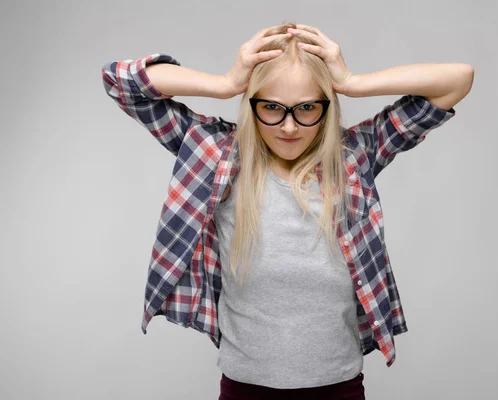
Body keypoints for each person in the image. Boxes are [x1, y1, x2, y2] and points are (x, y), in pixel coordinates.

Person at [102, 22, 472, 400]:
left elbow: (457, 80)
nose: (290, 126)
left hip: (339, 389)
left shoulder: (353, 158)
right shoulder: (220, 157)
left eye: (308, 107)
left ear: (327, 107)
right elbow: (120, 82)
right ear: (252, 104)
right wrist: (227, 82)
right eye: (272, 108)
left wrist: (351, 81)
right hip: (245, 390)